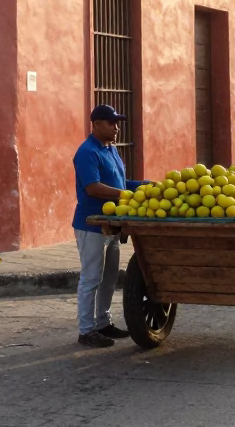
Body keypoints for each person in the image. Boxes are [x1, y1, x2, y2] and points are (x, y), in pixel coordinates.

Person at [72, 104, 148, 348]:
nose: (116, 127)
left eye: (117, 122)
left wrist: (145, 186)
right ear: (95, 125)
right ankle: (86, 330)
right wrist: (127, 194)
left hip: (112, 224)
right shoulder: (87, 152)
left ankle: (103, 322)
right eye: (111, 122)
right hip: (91, 224)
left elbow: (122, 182)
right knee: (91, 277)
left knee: (109, 277)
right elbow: (92, 187)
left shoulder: (111, 150)